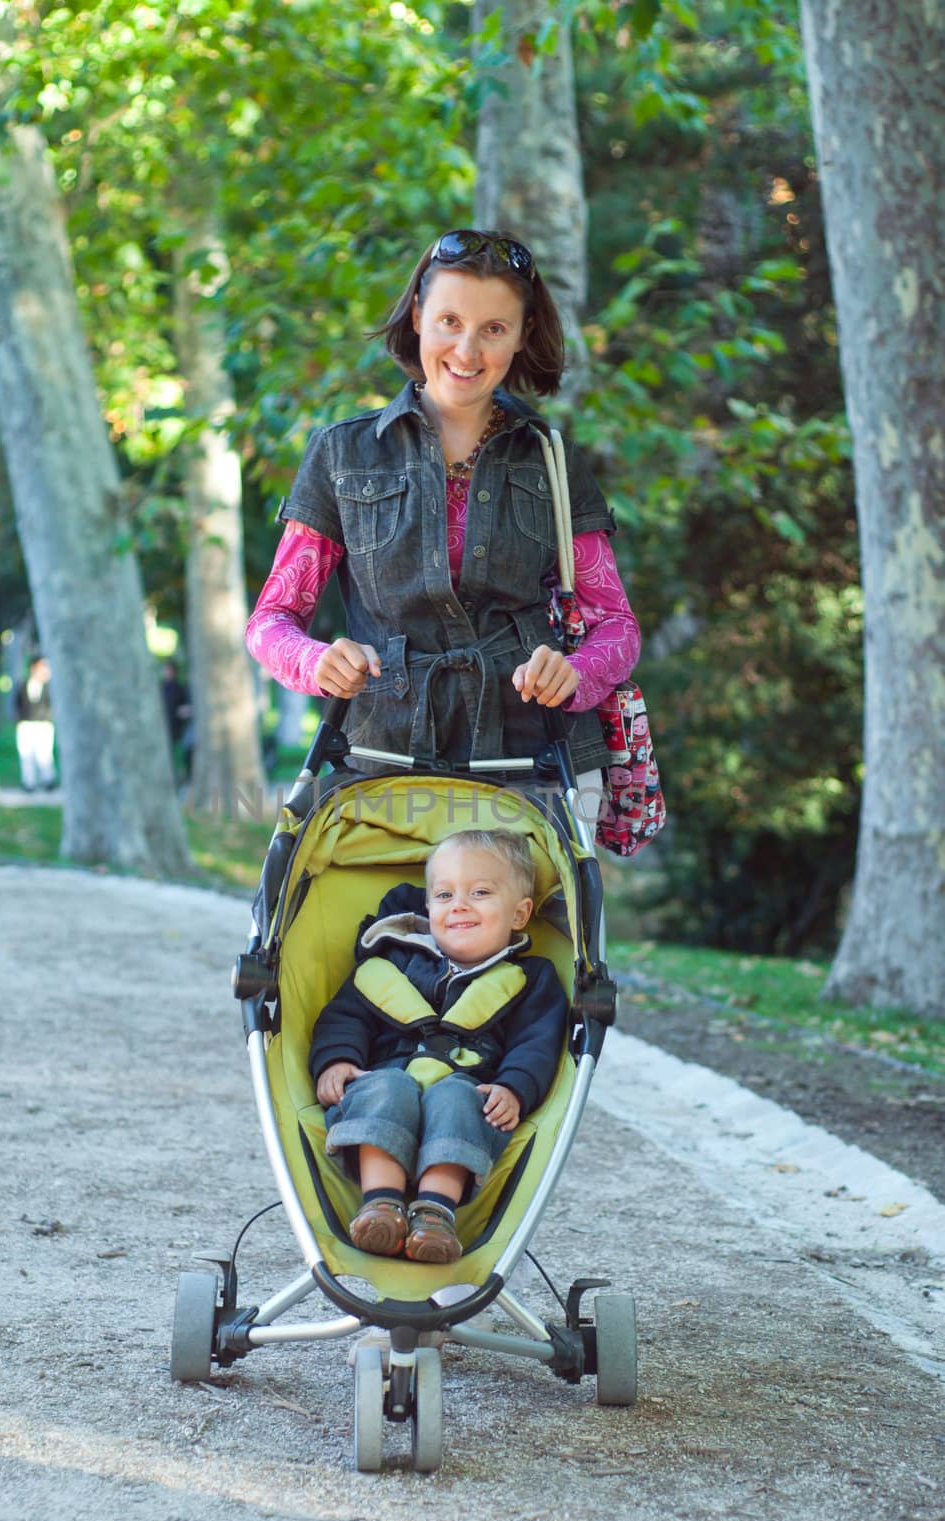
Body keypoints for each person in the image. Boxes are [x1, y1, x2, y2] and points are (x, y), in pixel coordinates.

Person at [246, 227, 641, 772]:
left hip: (535, 760)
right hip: (380, 755)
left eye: (494, 329)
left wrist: (576, 673)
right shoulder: (341, 454)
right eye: (449, 322)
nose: (467, 350)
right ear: (416, 316)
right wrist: (316, 661)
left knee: (481, 865)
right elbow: (271, 619)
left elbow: (616, 625)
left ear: (523, 335)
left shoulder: (554, 461)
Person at [309, 830, 568, 1265]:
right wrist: (337, 1061)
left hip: (467, 1095)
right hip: (384, 1088)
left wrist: (514, 1087)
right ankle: (381, 1205)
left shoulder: (532, 980)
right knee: (385, 1085)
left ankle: (435, 1212)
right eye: (444, 894)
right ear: (427, 908)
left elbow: (537, 1044)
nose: (459, 905)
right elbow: (345, 1017)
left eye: (480, 892)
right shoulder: (393, 964)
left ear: (521, 914)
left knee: (457, 1096)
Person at [14, 655, 57, 792]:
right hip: (26, 723)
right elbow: (18, 703)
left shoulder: (49, 687)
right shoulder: (23, 684)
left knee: (44, 754)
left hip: (43, 724)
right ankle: (29, 782)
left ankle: (48, 780)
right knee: (26, 754)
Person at [160, 659, 192, 783]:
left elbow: (186, 709)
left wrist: (183, 712)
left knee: (176, 754)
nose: (167, 672)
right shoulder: (161, 687)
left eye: (169, 670)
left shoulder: (180, 688)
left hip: (176, 729)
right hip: (164, 727)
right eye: (166, 670)